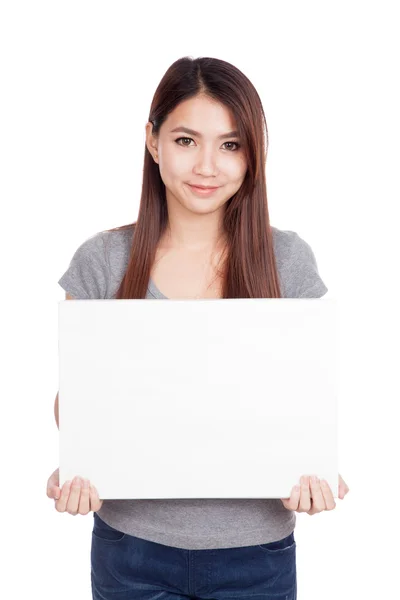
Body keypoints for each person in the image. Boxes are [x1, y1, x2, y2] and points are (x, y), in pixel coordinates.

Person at [47, 56, 350, 600]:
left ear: (252, 155)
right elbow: (76, 402)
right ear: (152, 140)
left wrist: (319, 468)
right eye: (187, 140)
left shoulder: (288, 260)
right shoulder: (102, 260)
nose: (207, 166)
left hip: (256, 552)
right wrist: (76, 465)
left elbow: (311, 397)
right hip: (130, 550)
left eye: (230, 145)